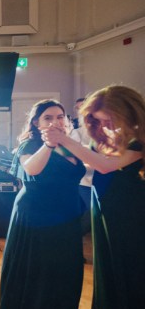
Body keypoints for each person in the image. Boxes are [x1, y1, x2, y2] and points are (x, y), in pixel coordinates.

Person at [42, 85, 145, 309]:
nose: (107, 125)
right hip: (106, 215)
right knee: (110, 272)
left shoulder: (138, 140)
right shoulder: (113, 137)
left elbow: (105, 166)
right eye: (101, 120)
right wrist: (55, 144)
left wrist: (64, 139)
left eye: (109, 119)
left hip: (130, 218)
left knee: (130, 273)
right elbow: (90, 159)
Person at [0, 99, 85, 309]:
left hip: (67, 213)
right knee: (39, 270)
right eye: (48, 117)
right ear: (36, 123)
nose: (55, 121)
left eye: (60, 117)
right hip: (36, 214)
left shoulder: (70, 143)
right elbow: (32, 170)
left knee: (66, 271)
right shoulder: (29, 144)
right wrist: (48, 144)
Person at [68, 97, 93, 235]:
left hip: (102, 180)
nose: (80, 111)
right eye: (77, 108)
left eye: (83, 106)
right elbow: (74, 159)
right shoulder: (76, 133)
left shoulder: (102, 130)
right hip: (84, 182)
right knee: (91, 215)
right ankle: (69, 241)